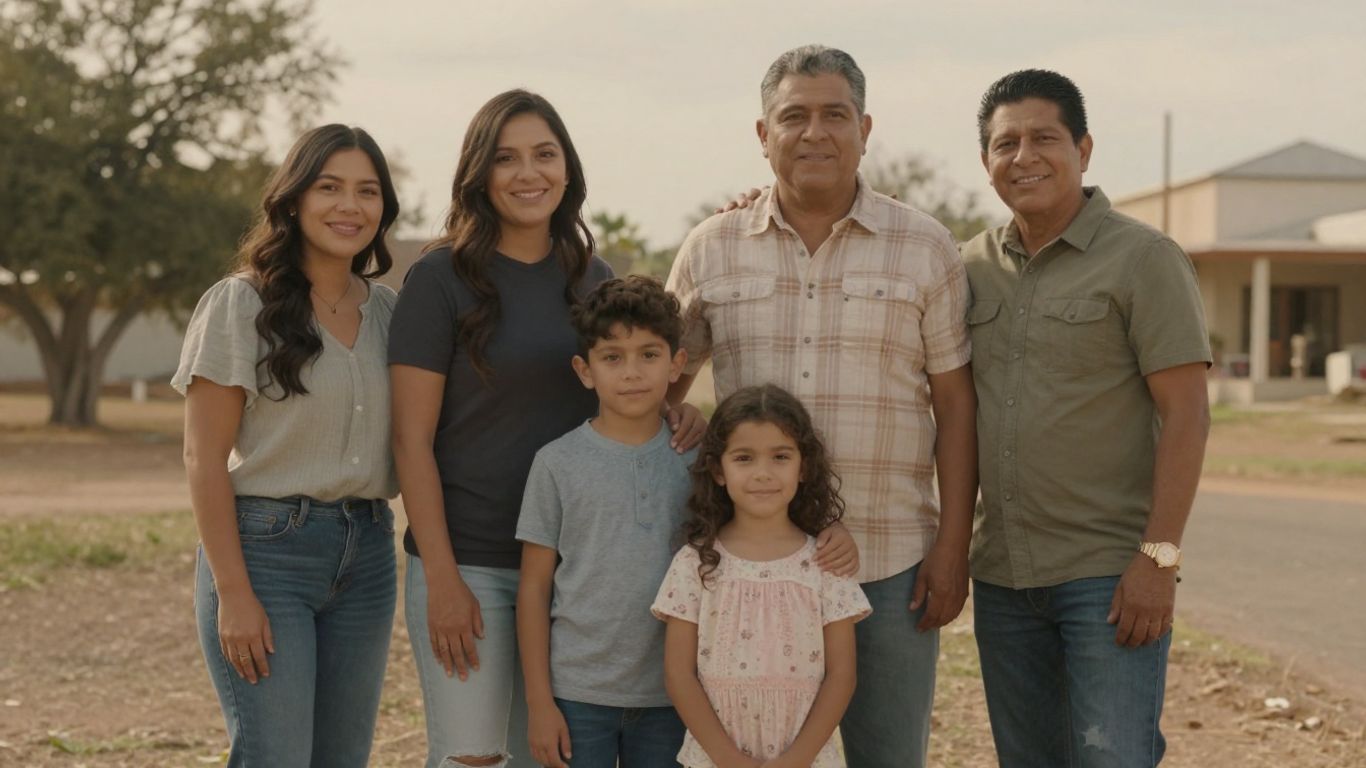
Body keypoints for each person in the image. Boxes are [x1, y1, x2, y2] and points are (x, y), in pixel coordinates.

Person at [665, 44, 978, 767]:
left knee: (887, 756)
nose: (815, 133)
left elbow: (957, 409)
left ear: (865, 129)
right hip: (746, 578)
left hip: (889, 557)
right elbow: (657, 386)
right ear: (762, 134)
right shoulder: (711, 249)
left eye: (834, 115)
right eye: (794, 116)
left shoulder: (925, 248)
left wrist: (951, 548)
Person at [388, 90, 705, 768]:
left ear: (567, 169)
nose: (527, 173)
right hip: (466, 560)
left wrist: (678, 407)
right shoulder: (439, 279)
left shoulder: (591, 278)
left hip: (570, 573)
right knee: (472, 755)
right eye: (506, 158)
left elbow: (625, 386)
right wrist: (441, 579)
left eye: (544, 154)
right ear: (480, 173)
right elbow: (409, 441)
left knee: (545, 758)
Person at [962, 69, 1211, 767]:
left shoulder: (1145, 259)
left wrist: (1158, 558)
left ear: (1085, 149)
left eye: (1045, 138)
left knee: (1115, 758)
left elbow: (1188, 414)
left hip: (1107, 577)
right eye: (1005, 143)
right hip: (1004, 580)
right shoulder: (967, 268)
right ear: (986, 163)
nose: (1025, 157)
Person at [174, 124, 401, 767]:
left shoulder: (389, 312)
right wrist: (235, 593)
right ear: (294, 198)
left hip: (369, 557)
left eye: (367, 191)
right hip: (267, 554)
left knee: (342, 759)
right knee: (275, 756)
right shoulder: (239, 303)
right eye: (329, 187)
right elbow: (202, 457)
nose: (349, 206)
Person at [514, 275, 694, 768]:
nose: (631, 372)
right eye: (612, 357)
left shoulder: (701, 461)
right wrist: (539, 702)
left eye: (649, 355)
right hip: (578, 694)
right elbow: (534, 589)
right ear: (585, 370)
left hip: (677, 696)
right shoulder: (556, 463)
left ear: (677, 363)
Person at [654, 384, 872, 768]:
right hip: (716, 758)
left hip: (805, 758)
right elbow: (678, 674)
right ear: (718, 471)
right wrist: (728, 760)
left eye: (780, 457)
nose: (763, 473)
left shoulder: (826, 564)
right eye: (744, 458)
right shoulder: (695, 564)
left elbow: (842, 675)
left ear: (803, 467)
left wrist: (797, 760)